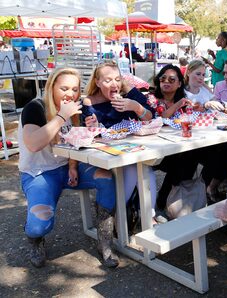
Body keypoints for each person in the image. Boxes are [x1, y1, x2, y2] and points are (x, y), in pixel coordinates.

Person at [18, 68, 119, 268]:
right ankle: (35, 238)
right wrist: (61, 117)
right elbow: (33, 144)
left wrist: (74, 163)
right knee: (39, 226)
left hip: (66, 167)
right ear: (51, 87)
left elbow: (74, 142)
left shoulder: (75, 108)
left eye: (74, 89)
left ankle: (104, 243)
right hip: (38, 172)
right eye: (64, 88)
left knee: (106, 176)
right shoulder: (35, 107)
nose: (70, 94)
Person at [82, 60, 157, 224]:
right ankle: (116, 215)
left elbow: (151, 116)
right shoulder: (89, 102)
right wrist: (93, 127)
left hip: (129, 149)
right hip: (105, 155)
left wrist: (136, 107)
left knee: (144, 168)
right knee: (133, 169)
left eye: (117, 79)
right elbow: (85, 133)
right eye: (107, 80)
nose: (114, 84)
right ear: (97, 82)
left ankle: (146, 216)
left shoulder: (128, 93)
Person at [146, 64, 198, 218]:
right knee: (181, 161)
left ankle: (175, 199)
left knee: (191, 156)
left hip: (175, 146)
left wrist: (197, 110)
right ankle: (164, 201)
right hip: (154, 148)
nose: (166, 82)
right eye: (163, 78)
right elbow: (160, 117)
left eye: (171, 79)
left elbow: (189, 118)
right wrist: (178, 105)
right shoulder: (151, 99)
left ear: (179, 83)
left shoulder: (183, 101)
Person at [184, 60, 227, 201]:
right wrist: (205, 105)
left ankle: (209, 187)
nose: (201, 77)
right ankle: (202, 188)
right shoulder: (182, 92)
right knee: (218, 155)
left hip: (209, 136)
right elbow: (188, 110)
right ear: (188, 72)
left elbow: (219, 105)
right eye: (198, 74)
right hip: (191, 140)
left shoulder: (205, 91)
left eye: (203, 75)